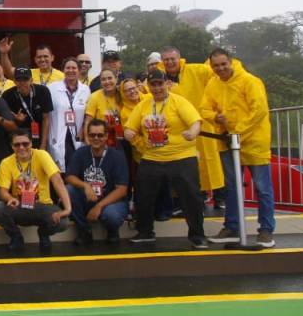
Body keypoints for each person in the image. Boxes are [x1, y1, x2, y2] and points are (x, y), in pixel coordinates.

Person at [124, 70, 208, 248]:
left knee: (190, 196)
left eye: (159, 84)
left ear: (166, 84)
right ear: (148, 85)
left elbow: (195, 122)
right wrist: (130, 133)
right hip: (152, 156)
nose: (156, 88)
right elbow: (129, 127)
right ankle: (145, 231)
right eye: (153, 84)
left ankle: (197, 235)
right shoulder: (143, 105)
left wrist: (192, 133)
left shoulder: (179, 101)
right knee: (143, 195)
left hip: (182, 156)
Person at [202, 48, 275, 248]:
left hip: (254, 143)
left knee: (262, 188)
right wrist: (216, 117)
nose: (220, 68)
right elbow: (204, 108)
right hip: (228, 143)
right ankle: (232, 227)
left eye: (223, 64)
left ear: (231, 62)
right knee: (231, 187)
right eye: (216, 65)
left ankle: (266, 230)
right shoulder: (213, 83)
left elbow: (258, 111)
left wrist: (238, 132)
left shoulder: (250, 81)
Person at [159, 46, 226, 200]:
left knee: (213, 161)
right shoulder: (160, 77)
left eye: (172, 59)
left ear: (179, 58)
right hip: (180, 129)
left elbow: (218, 74)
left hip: (203, 125)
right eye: (166, 59)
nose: (170, 62)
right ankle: (197, 198)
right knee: (189, 166)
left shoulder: (196, 70)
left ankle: (220, 197)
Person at [0, 130, 72, 251]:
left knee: (63, 222)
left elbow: (57, 180)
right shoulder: (6, 162)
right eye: (17, 145)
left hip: (42, 206)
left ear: (31, 143)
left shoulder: (42, 155)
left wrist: (67, 209)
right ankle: (16, 237)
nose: (21, 147)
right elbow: (2, 191)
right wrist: (10, 199)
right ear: (11, 146)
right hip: (19, 206)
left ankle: (44, 234)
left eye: (25, 144)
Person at [65, 118, 129, 244]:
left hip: (111, 201)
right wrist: (85, 186)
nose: (96, 138)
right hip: (89, 198)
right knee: (68, 190)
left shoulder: (117, 156)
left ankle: (112, 231)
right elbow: (69, 176)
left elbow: (122, 190)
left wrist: (99, 206)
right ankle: (84, 231)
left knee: (112, 216)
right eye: (92, 135)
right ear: (87, 136)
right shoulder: (80, 153)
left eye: (100, 135)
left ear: (106, 136)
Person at [45, 57, 91, 172]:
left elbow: (88, 114)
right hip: (59, 134)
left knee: (77, 167)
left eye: (74, 68)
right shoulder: (52, 88)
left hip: (77, 135)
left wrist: (82, 131)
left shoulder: (86, 90)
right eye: (68, 68)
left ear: (79, 70)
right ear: (63, 70)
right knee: (60, 169)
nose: (71, 70)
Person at [2, 67, 53, 151]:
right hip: (18, 138)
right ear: (14, 81)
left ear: (31, 80)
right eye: (19, 80)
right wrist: (17, 120)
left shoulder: (43, 91)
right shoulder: (7, 95)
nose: (22, 83)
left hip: (39, 135)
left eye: (25, 79)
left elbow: (46, 119)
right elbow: (7, 123)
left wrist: (43, 145)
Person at [83, 68, 124, 149]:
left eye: (110, 78)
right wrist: (88, 142)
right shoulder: (94, 97)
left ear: (116, 79)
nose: (107, 82)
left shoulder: (122, 94)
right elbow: (88, 121)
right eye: (103, 79)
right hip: (101, 140)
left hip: (122, 140)